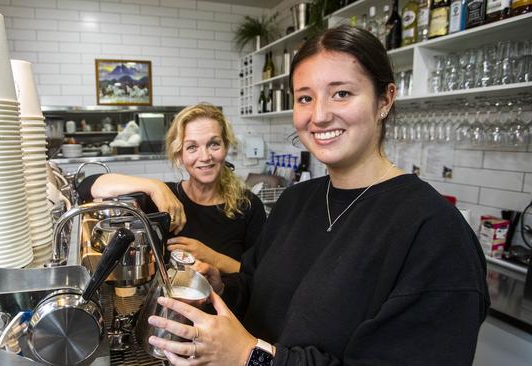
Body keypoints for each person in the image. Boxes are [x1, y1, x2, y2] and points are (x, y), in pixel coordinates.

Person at [146, 25, 490, 365]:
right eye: (305, 98)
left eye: (341, 93)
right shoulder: (296, 200)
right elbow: (256, 288)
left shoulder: (434, 232)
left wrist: (250, 357)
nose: (320, 116)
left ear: (384, 99)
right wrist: (222, 287)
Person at [90, 103, 266, 274]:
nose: (205, 156)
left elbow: (261, 273)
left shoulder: (248, 206)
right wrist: (155, 186)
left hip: (230, 303)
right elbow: (89, 186)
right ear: (179, 155)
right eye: (192, 147)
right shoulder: (165, 199)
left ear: (226, 147)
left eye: (214, 144)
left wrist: (211, 257)